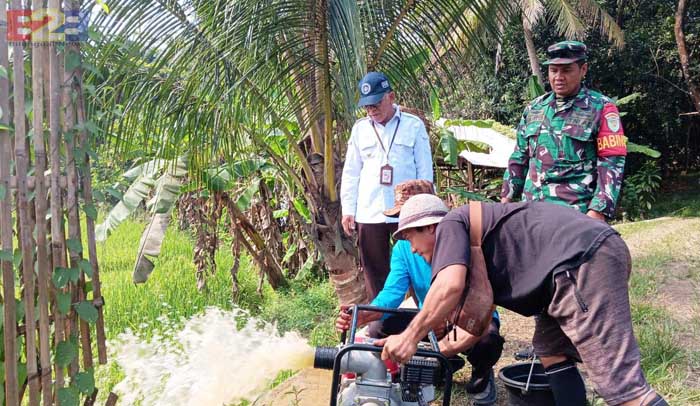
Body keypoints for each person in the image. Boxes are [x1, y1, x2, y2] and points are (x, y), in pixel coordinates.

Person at [377, 196, 669, 406]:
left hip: (582, 263)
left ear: (430, 227)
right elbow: (472, 329)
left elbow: (449, 286)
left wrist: (409, 337)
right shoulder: (473, 240)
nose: (411, 249)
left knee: (622, 388)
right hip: (563, 276)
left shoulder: (451, 225)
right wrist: (428, 352)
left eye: (409, 237)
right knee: (551, 351)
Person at [335, 180, 503, 404]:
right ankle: (440, 364)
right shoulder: (404, 248)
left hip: (468, 318)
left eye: (410, 217)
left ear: (431, 223)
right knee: (378, 328)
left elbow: (475, 295)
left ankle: (481, 374)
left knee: (488, 338)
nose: (403, 226)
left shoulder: (464, 240)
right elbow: (392, 292)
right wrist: (366, 313)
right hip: (430, 320)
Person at [501, 41, 627, 221]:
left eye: (566, 70)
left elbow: (612, 164)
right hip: (531, 213)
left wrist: (597, 212)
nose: (558, 77)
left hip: (575, 216)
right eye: (554, 70)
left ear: (583, 70)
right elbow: (519, 157)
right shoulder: (534, 108)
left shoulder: (602, 108)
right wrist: (506, 199)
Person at [340, 71, 433, 300]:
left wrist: (427, 209)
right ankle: (381, 322)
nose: (372, 110)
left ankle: (427, 317)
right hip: (369, 212)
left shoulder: (413, 126)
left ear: (391, 97)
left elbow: (425, 170)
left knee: (418, 265)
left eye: (376, 103)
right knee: (375, 274)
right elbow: (351, 173)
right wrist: (348, 210)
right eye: (367, 106)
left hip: (407, 212)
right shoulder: (360, 129)